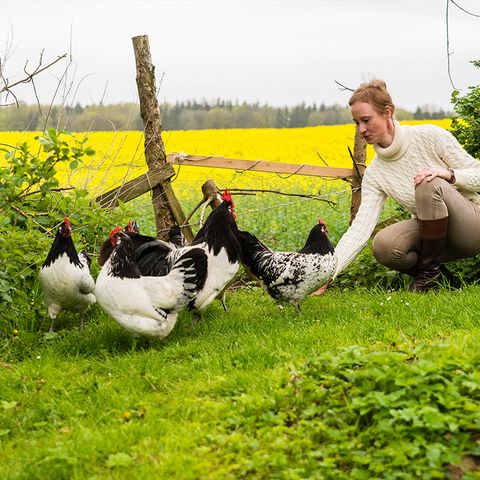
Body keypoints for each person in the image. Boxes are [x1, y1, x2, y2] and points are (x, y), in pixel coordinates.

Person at [321, 79, 480, 293]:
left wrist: (449, 175)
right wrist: (327, 275)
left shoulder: (430, 136)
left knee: (427, 182)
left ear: (387, 113)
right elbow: (360, 229)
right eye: (356, 123)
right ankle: (440, 280)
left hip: (471, 224)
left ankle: (427, 278)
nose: (361, 129)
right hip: (434, 236)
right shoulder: (375, 173)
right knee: (384, 246)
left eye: (366, 120)